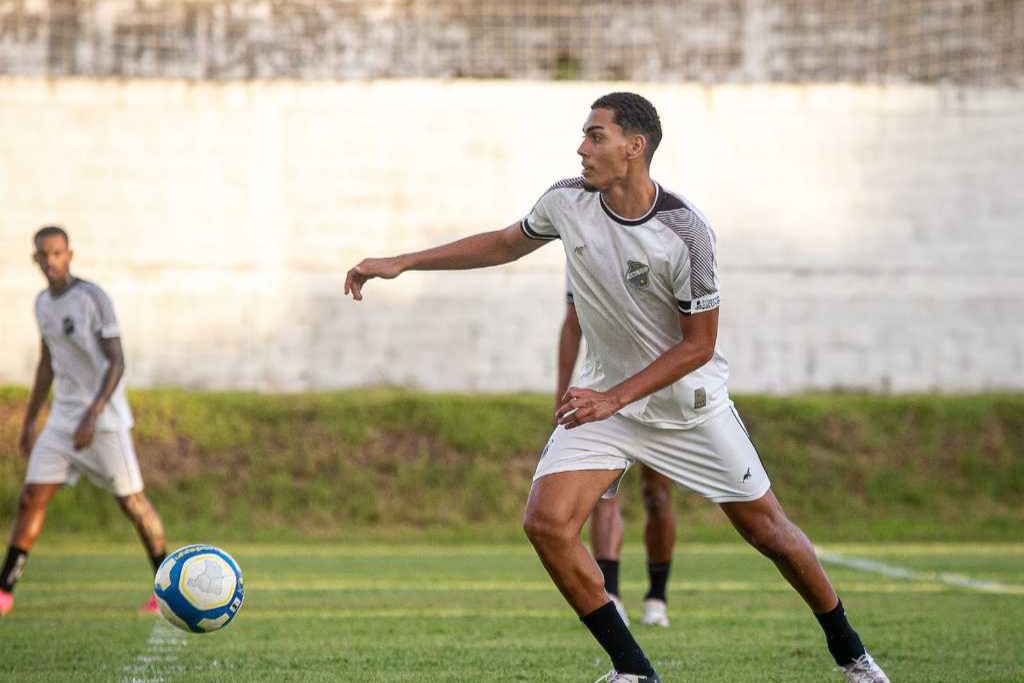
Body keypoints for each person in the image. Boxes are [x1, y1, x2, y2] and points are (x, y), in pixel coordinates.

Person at [344, 92, 890, 683]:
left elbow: (698, 346)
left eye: (595, 135)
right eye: (584, 135)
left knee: (771, 533)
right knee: (547, 524)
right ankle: (634, 670)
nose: (582, 148)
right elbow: (503, 244)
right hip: (608, 401)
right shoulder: (567, 202)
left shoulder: (687, 234)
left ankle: (853, 656)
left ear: (635, 147)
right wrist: (401, 261)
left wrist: (615, 397)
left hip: (689, 407)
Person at [0, 226, 167, 617]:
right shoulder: (42, 303)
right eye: (45, 254)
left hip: (104, 419)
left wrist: (92, 416)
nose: (52, 260)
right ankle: (4, 590)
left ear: (69, 255)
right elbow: (47, 363)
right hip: (62, 419)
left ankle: (164, 586)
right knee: (30, 498)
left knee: (132, 503)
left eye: (58, 253)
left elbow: (117, 361)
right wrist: (29, 422)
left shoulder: (93, 298)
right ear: (36, 259)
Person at [559, 283, 676, 628]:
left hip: (657, 392)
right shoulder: (579, 238)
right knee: (603, 495)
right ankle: (611, 593)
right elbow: (572, 323)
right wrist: (560, 392)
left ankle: (657, 597)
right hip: (602, 389)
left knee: (657, 496)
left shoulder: (666, 238)